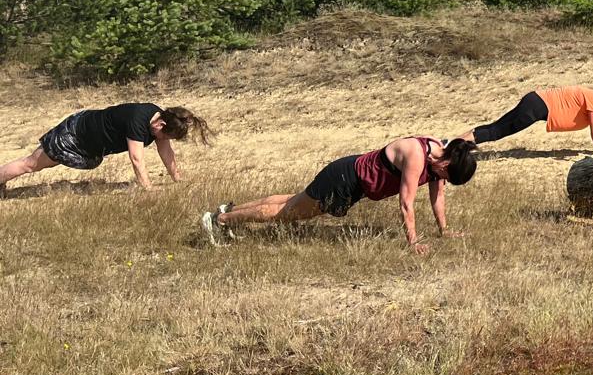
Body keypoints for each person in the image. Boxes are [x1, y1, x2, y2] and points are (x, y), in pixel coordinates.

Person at [199, 135, 478, 254]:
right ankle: (220, 220)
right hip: (344, 180)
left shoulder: (440, 159)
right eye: (445, 177)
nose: (441, 182)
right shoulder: (418, 155)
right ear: (445, 164)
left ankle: (230, 211)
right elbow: (406, 203)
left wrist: (445, 230)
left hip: (349, 176)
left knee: (292, 201)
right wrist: (412, 242)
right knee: (289, 214)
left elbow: (437, 197)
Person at [0, 104, 211, 194]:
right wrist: (148, 188)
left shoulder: (159, 119)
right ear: (160, 125)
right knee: (30, 165)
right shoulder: (138, 122)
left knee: (89, 161)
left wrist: (178, 180)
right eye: (165, 136)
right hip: (73, 135)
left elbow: (166, 152)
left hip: (86, 144)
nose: (163, 140)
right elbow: (136, 158)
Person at [461, 87, 593, 157]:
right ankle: (453, 146)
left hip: (536, 102)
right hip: (537, 106)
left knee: (495, 128)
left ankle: (453, 142)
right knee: (496, 132)